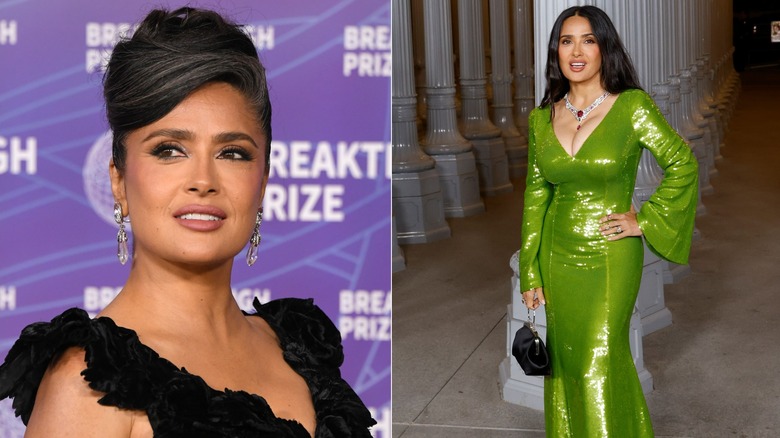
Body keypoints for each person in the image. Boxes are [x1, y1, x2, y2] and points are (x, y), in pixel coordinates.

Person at [0, 7, 375, 437]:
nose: (203, 180)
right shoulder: (90, 381)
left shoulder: (298, 345)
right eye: (169, 150)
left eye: (232, 152)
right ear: (119, 181)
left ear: (263, 181)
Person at [519, 6, 698, 437]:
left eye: (588, 40)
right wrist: (530, 268)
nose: (576, 52)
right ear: (556, 52)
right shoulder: (541, 119)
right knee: (567, 363)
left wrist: (645, 220)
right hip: (557, 257)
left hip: (610, 256)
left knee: (599, 357)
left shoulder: (632, 107)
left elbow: (682, 162)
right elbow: (535, 195)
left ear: (605, 49)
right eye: (566, 41)